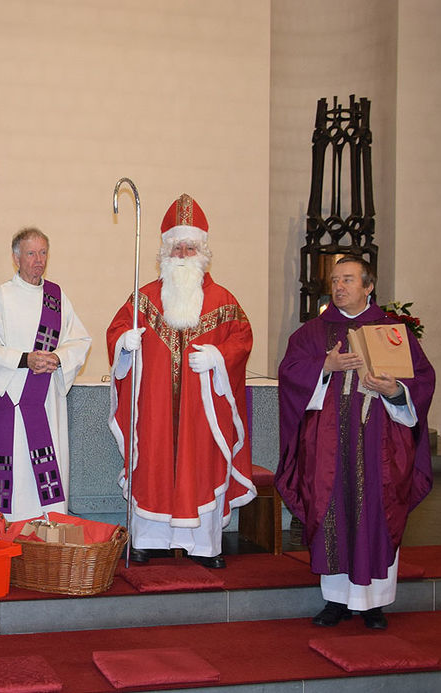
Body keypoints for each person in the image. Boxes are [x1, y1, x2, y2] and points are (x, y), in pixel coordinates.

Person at [276, 256, 435, 630]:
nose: (340, 286)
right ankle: (334, 601)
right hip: (328, 448)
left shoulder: (394, 332)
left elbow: (423, 380)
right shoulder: (311, 334)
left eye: (348, 279)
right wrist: (324, 368)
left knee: (377, 512)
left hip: (382, 446)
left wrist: (397, 390)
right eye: (335, 280)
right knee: (330, 512)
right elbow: (290, 375)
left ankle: (374, 604)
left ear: (368, 286)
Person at [107, 193, 255, 569]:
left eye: (191, 247)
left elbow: (242, 339)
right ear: (164, 251)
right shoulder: (144, 301)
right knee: (152, 466)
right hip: (154, 410)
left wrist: (219, 358)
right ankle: (145, 541)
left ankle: (204, 546)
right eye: (177, 247)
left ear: (203, 251)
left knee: (199, 468)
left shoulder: (223, 301)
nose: (184, 254)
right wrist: (124, 343)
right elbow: (118, 328)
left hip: (201, 415)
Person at [0, 227, 91, 521]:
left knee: (45, 471)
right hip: (10, 400)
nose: (38, 260)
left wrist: (58, 357)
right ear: (16, 258)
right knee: (13, 469)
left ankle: (49, 523)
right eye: (31, 253)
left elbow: (79, 340)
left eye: (43, 253)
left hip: (45, 399)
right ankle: (7, 525)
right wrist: (25, 359)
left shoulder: (56, 297)